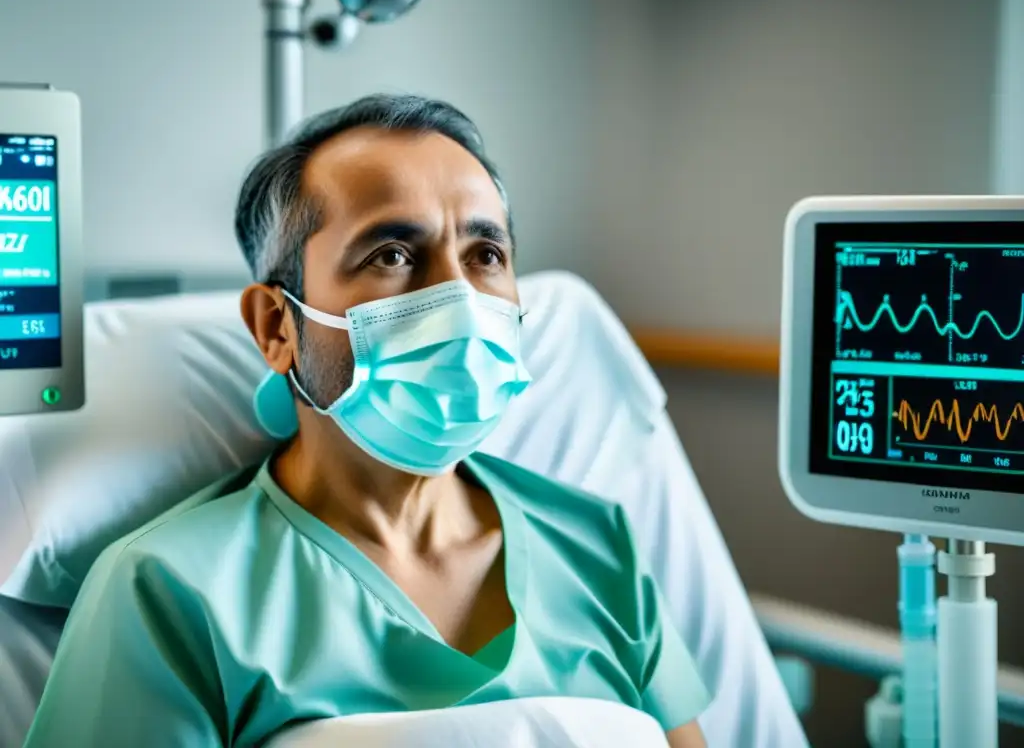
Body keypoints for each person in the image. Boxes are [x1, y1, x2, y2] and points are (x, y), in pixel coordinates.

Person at [24, 95, 710, 747]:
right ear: (276, 326)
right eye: (393, 255)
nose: (459, 298)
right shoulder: (168, 595)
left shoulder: (599, 547)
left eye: (486, 256)